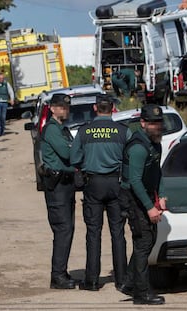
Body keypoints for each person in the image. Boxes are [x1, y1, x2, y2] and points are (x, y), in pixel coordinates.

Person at [70, 94, 132, 291]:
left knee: (93, 233)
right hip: (117, 184)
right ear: (113, 108)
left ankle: (92, 281)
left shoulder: (84, 131)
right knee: (118, 233)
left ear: (95, 108)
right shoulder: (123, 131)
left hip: (93, 184)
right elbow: (130, 158)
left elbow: (74, 158)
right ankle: (121, 280)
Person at [117, 104, 166, 305]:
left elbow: (157, 171)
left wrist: (161, 196)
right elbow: (135, 181)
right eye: (153, 123)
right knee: (143, 243)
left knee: (149, 239)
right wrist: (149, 207)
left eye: (159, 123)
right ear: (143, 123)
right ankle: (141, 293)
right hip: (133, 198)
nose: (157, 127)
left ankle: (130, 282)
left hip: (145, 195)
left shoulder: (155, 144)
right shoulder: (138, 147)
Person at [41, 93, 77, 289]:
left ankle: (61, 272)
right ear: (53, 108)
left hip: (66, 185)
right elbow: (68, 152)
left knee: (68, 229)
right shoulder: (53, 130)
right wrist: (75, 150)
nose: (66, 110)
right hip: (57, 186)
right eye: (62, 107)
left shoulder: (62, 130)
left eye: (67, 107)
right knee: (63, 229)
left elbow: (72, 150)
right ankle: (57, 276)